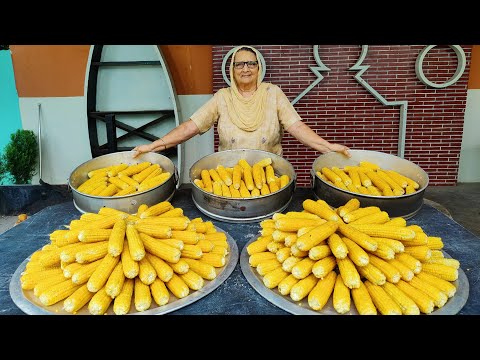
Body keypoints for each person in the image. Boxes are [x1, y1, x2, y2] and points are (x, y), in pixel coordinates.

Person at [132, 45, 351, 159]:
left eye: (250, 63)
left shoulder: (273, 93)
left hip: (270, 173)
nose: (245, 69)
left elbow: (297, 127)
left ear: (258, 68)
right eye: (239, 65)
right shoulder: (222, 97)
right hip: (229, 175)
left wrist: (327, 147)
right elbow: (190, 126)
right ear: (232, 70)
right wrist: (155, 145)